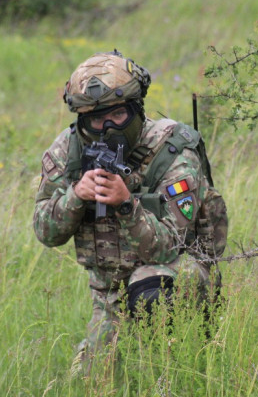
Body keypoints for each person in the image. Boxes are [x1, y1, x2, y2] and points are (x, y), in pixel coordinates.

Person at [33, 50, 226, 367]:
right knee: (92, 378)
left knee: (150, 289)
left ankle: (173, 362)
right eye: (96, 119)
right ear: (82, 120)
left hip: (180, 272)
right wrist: (75, 196)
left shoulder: (173, 153)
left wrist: (126, 204)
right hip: (110, 293)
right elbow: (45, 232)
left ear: (136, 110)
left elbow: (170, 248)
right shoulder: (67, 151)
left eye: (118, 116)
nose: (107, 128)